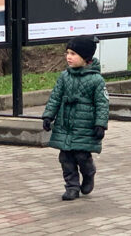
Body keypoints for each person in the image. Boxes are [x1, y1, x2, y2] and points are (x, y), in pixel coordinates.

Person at [41, 35, 109, 201]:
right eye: (67, 53)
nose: (68, 57)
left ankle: (89, 173)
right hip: (65, 125)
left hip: (84, 126)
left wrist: (100, 124)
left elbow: (102, 104)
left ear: (85, 58)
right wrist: (48, 115)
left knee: (81, 156)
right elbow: (55, 97)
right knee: (65, 158)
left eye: (73, 54)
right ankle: (72, 187)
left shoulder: (96, 80)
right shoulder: (65, 76)